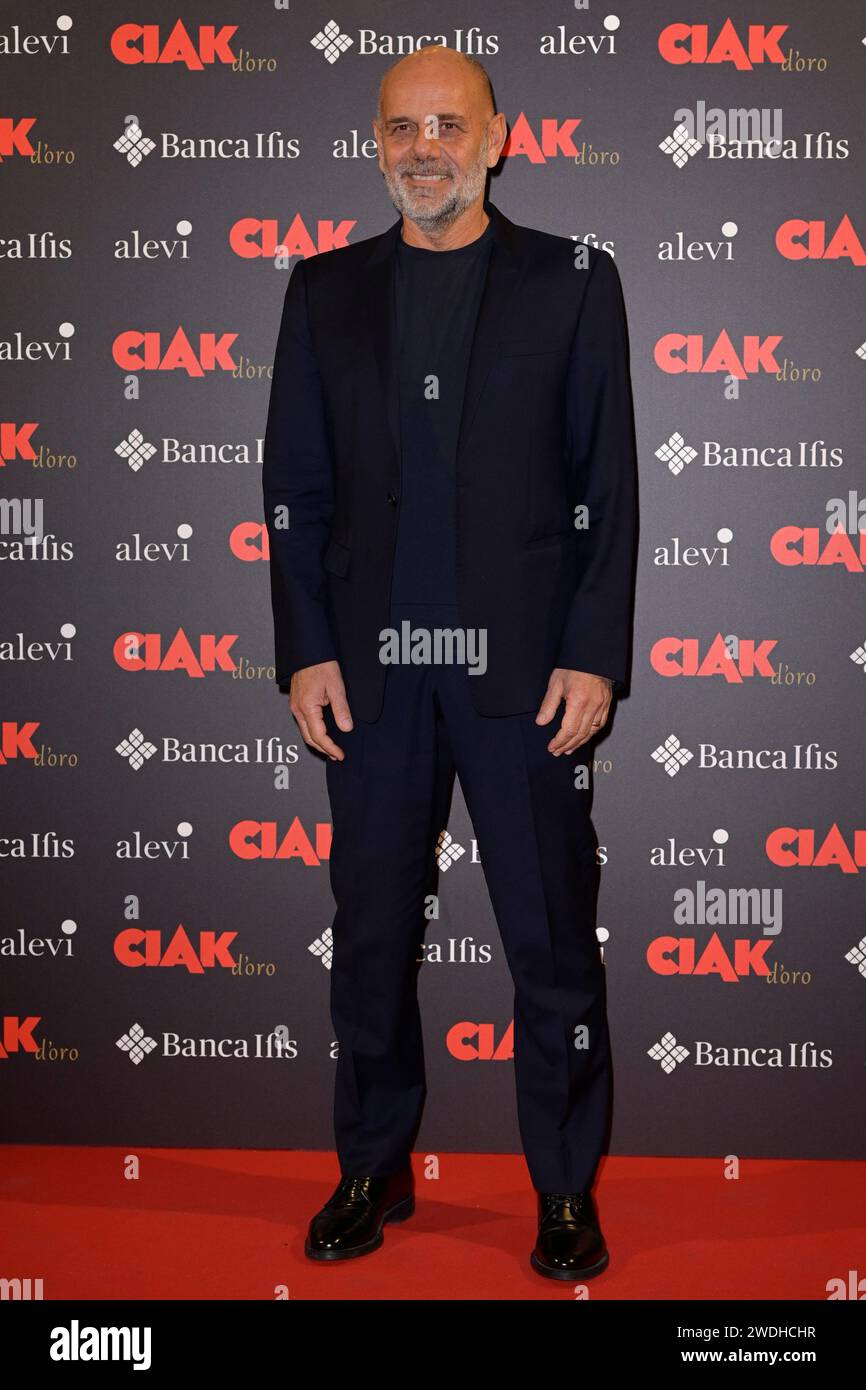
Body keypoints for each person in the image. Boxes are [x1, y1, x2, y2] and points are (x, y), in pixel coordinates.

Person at [262, 43, 637, 1281]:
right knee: (369, 935)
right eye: (399, 126)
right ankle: (371, 1166)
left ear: (496, 137)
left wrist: (590, 655)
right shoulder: (320, 291)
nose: (422, 146)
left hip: (522, 677)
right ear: (376, 143)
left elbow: (606, 488)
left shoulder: (575, 282)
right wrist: (305, 651)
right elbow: (297, 496)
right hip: (370, 680)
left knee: (550, 945)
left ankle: (565, 1190)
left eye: (446, 123)